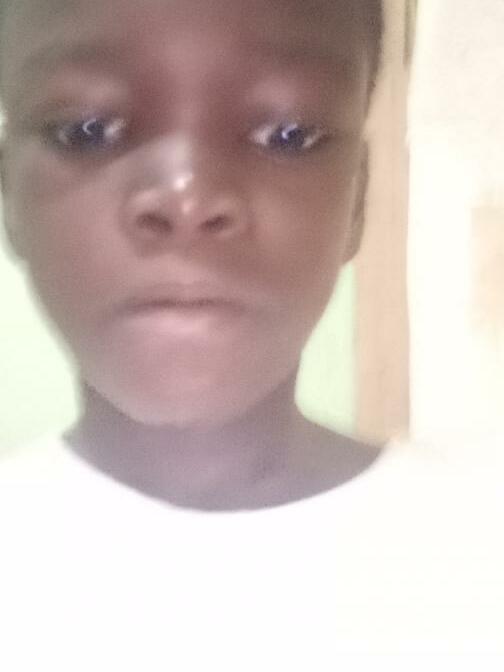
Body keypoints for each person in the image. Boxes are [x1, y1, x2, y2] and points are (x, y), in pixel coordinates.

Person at [0, 1, 502, 670]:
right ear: (8, 193)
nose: (186, 198)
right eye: (87, 130)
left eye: (288, 135)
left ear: (357, 201)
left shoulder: (479, 550)